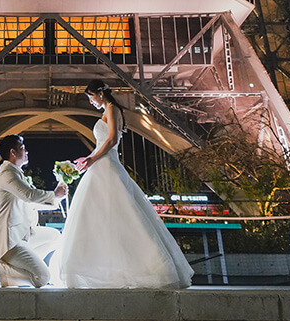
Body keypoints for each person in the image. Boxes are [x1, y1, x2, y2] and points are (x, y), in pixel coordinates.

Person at [54, 80, 193, 289]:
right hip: (101, 166)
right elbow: (102, 145)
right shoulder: (109, 110)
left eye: (91, 97)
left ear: (100, 94)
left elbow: (111, 141)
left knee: (112, 215)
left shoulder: (112, 109)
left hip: (106, 167)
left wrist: (92, 159)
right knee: (108, 216)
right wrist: (87, 159)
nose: (90, 102)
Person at [0, 134, 68, 287]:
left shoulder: (16, 172)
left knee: (54, 236)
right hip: (10, 239)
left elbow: (28, 203)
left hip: (23, 233)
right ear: (13, 152)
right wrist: (53, 194)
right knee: (41, 278)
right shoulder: (8, 173)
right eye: (22, 148)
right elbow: (28, 195)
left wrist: (56, 199)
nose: (26, 151)